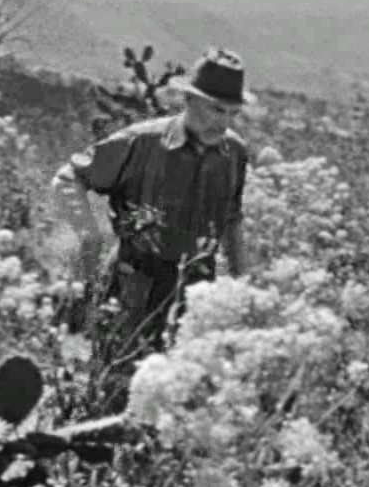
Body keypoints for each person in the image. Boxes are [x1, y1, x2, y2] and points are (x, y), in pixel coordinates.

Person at [51, 47, 252, 375]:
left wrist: (244, 286)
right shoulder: (141, 144)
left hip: (196, 295)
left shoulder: (234, 153)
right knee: (113, 383)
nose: (225, 122)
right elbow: (68, 178)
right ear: (189, 100)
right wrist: (89, 235)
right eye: (217, 110)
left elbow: (231, 219)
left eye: (233, 113)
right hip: (133, 287)